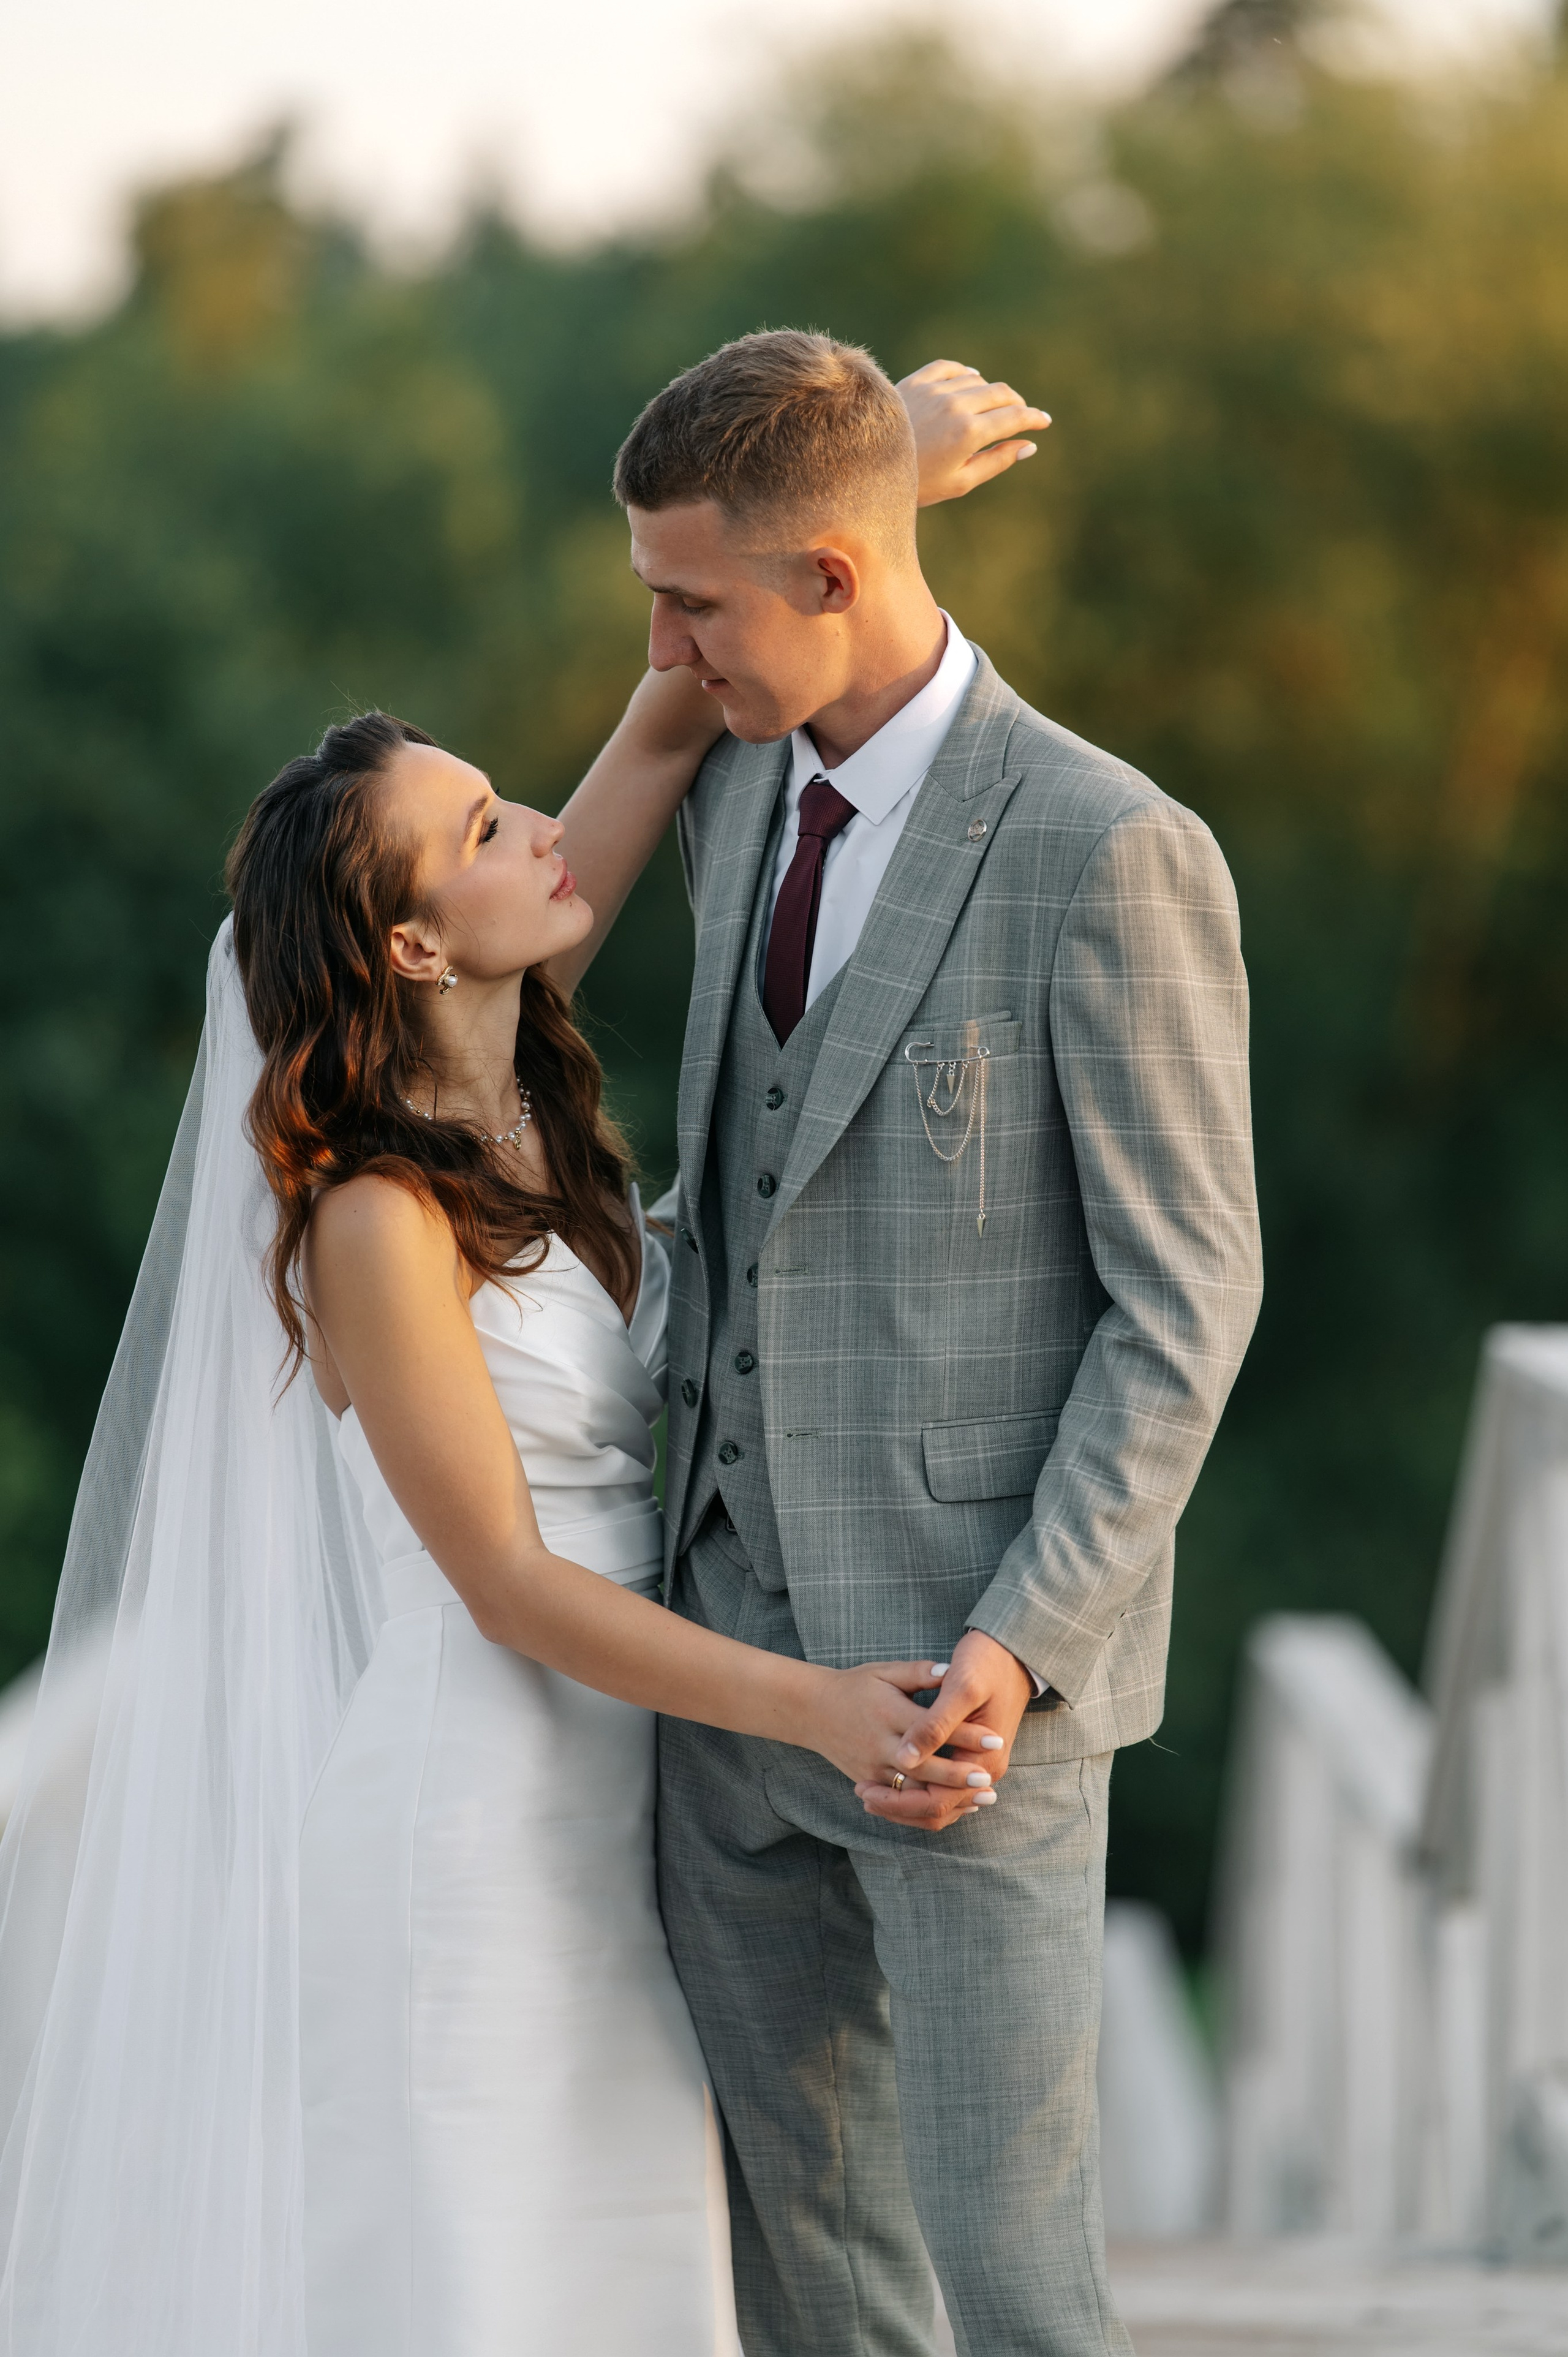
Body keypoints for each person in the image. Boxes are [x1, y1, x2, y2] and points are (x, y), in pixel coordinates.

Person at [0, 358, 1036, 2357]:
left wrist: (876, 477)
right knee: (486, 2292)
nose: (538, 826)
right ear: (408, 939)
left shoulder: (521, 1098)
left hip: (616, 1830)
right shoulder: (378, 1219)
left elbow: (675, 707)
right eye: (482, 823)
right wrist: (816, 1706)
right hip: (474, 1836)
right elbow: (507, 1586)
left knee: (633, 2287)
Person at [612, 330, 1265, 2356]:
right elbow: (730, 1209)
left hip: (969, 1700)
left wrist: (1013, 1646)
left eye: (691, 604)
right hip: (729, 1688)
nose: (658, 651)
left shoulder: (1107, 847)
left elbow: (1186, 1307)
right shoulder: (735, 800)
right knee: (810, 2279)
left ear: (831, 577)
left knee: (1015, 2284)